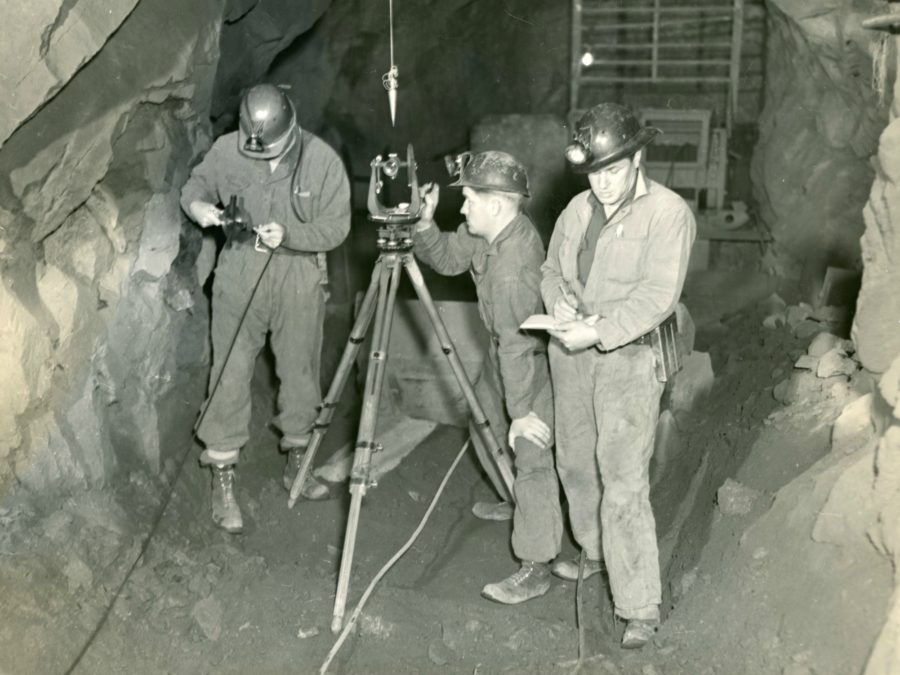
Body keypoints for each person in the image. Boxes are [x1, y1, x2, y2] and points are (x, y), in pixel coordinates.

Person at [541, 103, 696, 648]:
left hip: (630, 359)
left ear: (637, 158)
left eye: (613, 170)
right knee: (575, 464)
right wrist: (559, 306)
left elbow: (658, 296)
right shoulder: (577, 210)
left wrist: (600, 331)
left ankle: (638, 606)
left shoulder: (667, 213)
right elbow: (552, 269)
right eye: (594, 173)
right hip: (572, 354)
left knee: (624, 481)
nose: (602, 184)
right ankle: (597, 555)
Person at [180, 83, 351, 533]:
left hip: (297, 275)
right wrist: (198, 206)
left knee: (298, 369)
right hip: (239, 269)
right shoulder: (227, 149)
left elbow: (337, 227)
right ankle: (222, 478)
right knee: (230, 372)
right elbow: (196, 183)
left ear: (290, 127)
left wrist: (291, 235)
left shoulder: (321, 160)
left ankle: (298, 460)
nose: (257, 154)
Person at [413, 151, 563, 604]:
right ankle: (514, 498)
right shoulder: (492, 234)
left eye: (469, 201)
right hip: (507, 358)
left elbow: (518, 345)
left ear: (495, 205)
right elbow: (448, 259)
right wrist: (424, 225)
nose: (462, 208)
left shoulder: (513, 269)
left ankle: (538, 564)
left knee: (531, 453)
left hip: (533, 366)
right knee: (483, 425)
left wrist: (520, 414)